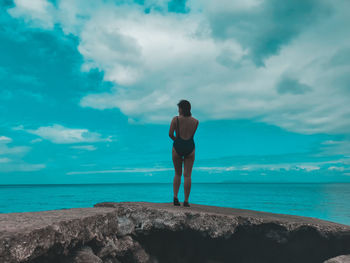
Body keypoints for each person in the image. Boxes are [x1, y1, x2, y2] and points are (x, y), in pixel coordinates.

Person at [169, 100, 199, 207]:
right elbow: (191, 135)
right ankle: (186, 201)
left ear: (181, 108)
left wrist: (177, 142)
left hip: (178, 146)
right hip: (190, 147)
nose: (178, 110)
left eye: (179, 108)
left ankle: (176, 197)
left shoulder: (175, 119)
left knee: (178, 173)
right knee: (187, 175)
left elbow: (170, 134)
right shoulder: (195, 121)